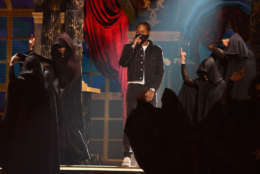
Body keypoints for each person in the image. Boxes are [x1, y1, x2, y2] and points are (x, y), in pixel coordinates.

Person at [119, 21, 164, 167]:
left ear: (148, 33)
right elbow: (123, 62)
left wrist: (152, 89)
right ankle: (127, 155)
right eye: (137, 31)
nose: (140, 34)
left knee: (150, 123)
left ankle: (149, 155)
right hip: (133, 89)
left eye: (143, 31)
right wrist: (133, 45)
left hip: (149, 90)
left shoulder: (156, 50)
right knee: (131, 122)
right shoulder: (129, 48)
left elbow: (160, 72)